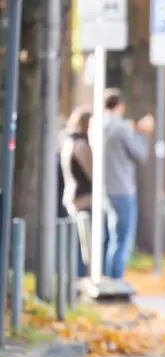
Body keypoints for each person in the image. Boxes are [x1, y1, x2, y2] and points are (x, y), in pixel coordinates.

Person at [103, 89, 154, 279]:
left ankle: (108, 279)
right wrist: (144, 133)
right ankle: (116, 281)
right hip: (123, 189)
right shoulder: (121, 127)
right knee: (122, 239)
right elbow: (140, 154)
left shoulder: (97, 124)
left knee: (110, 238)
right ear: (120, 106)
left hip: (104, 189)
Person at [60, 106, 93, 277]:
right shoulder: (81, 145)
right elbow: (93, 173)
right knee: (83, 245)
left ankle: (75, 279)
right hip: (84, 199)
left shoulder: (68, 142)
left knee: (78, 243)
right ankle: (79, 279)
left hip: (73, 196)